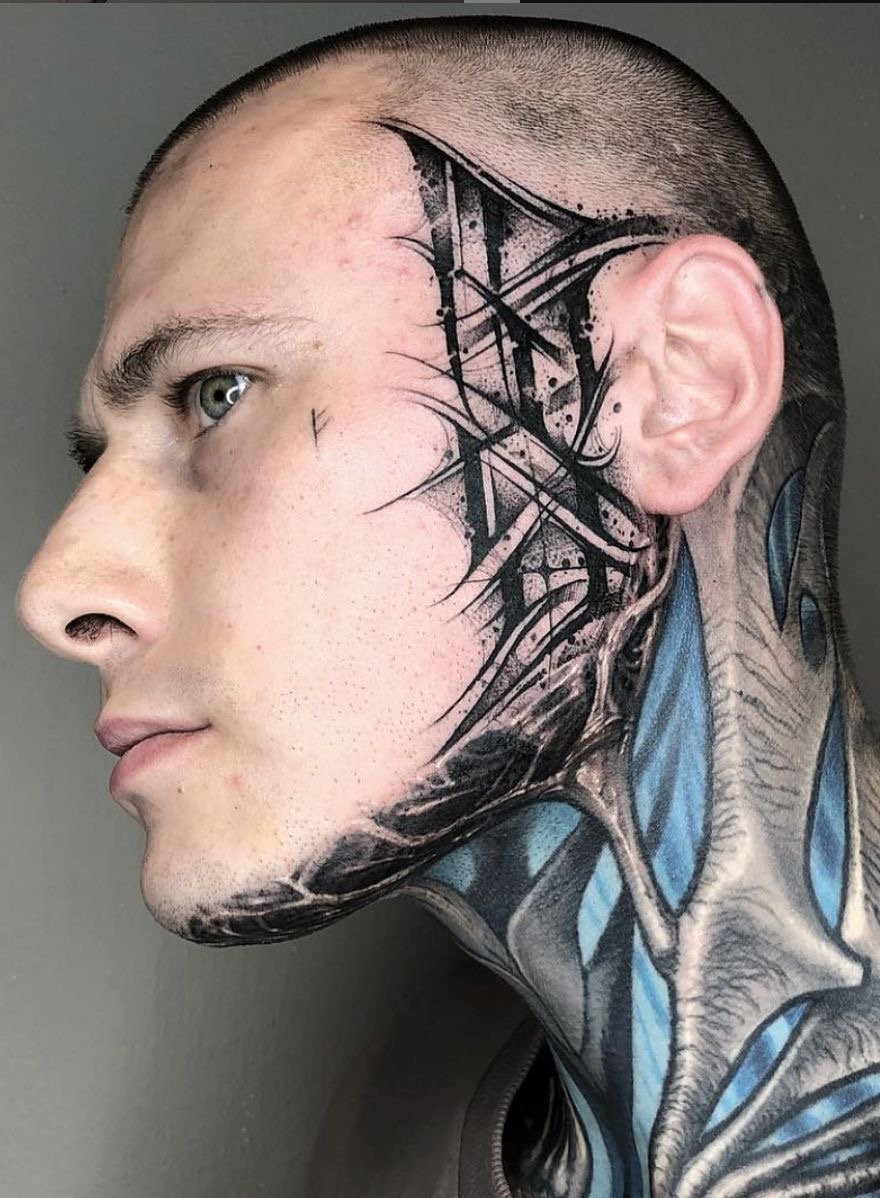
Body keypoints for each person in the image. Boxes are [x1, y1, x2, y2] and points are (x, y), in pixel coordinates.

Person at [14, 13, 880, 1197]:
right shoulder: (395, 1128)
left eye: (215, 391)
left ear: (675, 383)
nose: (56, 592)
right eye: (99, 462)